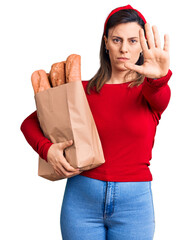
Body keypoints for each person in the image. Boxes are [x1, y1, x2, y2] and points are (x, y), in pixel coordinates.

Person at [20, 4, 172, 240]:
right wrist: (47, 150)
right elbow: (30, 123)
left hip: (134, 207)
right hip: (81, 201)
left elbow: (161, 96)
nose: (124, 49)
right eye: (116, 39)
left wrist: (160, 78)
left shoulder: (150, 91)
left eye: (133, 41)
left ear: (142, 46)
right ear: (106, 43)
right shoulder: (80, 91)